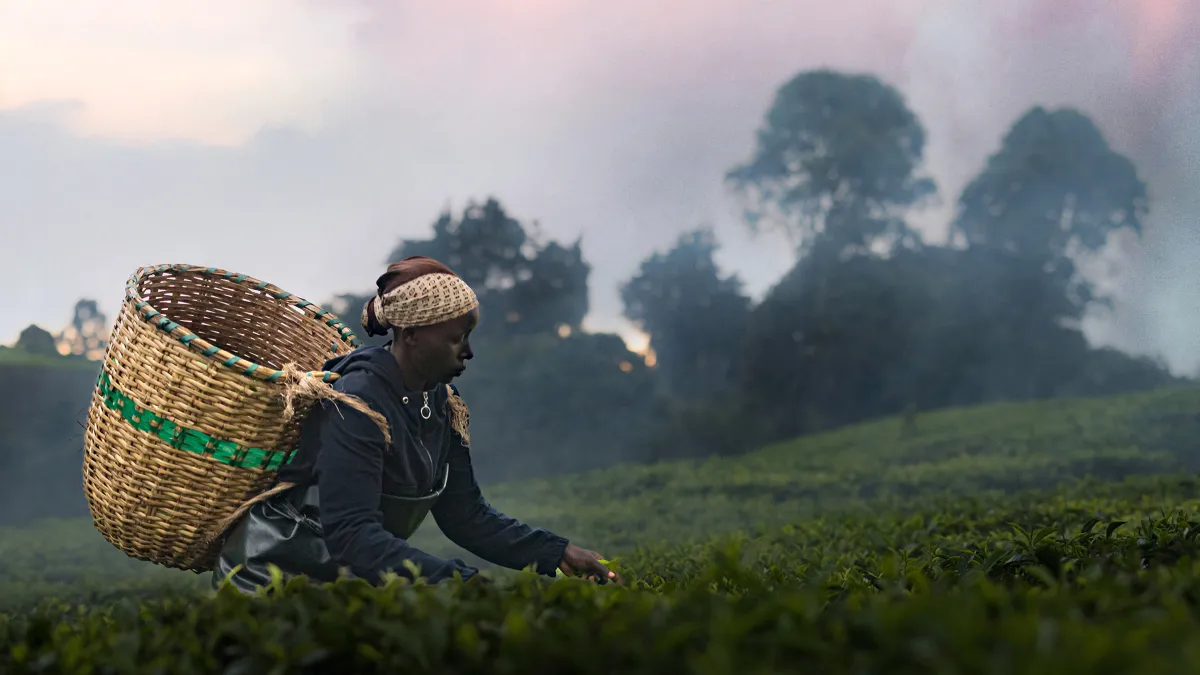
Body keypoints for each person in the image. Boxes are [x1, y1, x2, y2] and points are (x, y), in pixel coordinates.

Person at [212, 255, 621, 592]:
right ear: (410, 335)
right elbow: (352, 532)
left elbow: (466, 515)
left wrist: (558, 552)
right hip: (270, 582)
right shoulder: (356, 402)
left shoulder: (444, 406)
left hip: (343, 581)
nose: (469, 352)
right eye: (457, 338)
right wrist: (459, 582)